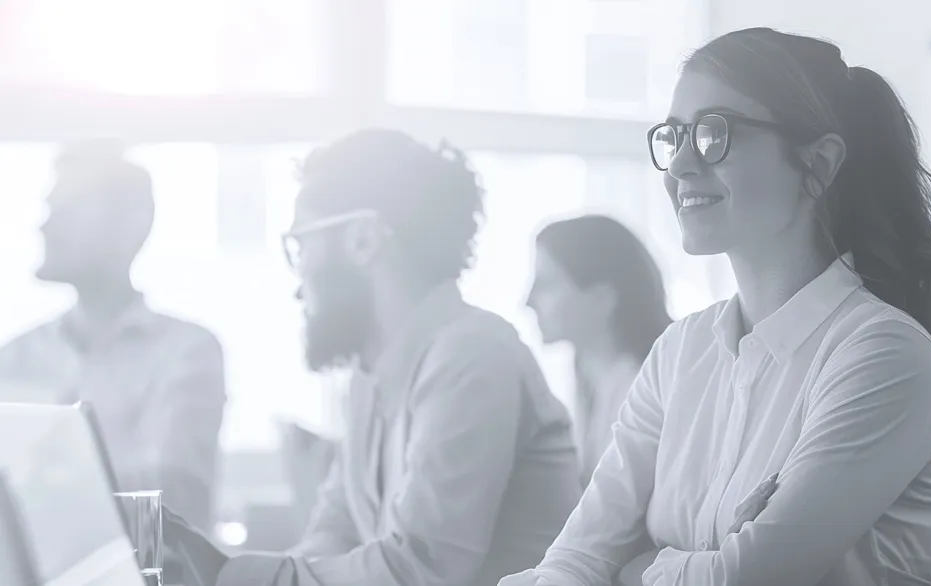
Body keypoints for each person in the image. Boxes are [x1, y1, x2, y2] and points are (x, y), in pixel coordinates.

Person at [499, 27, 931, 586]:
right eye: (674, 136)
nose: (679, 167)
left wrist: (644, 566)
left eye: (712, 134)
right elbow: (576, 559)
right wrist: (680, 567)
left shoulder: (883, 353)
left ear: (818, 165)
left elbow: (746, 578)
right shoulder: (680, 352)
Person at [165, 129, 582, 586]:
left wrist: (228, 575)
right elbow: (333, 537)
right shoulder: (369, 379)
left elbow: (418, 569)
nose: (299, 283)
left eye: (301, 245)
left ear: (364, 239)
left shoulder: (472, 356)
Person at [0, 142, 226, 530]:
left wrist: (29, 483)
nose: (45, 224)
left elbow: (167, 493)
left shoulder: (187, 352)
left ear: (130, 226)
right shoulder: (14, 357)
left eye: (66, 211)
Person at [526, 215, 672, 485]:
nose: (528, 301)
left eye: (547, 284)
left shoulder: (645, 395)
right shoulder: (591, 381)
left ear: (602, 297)